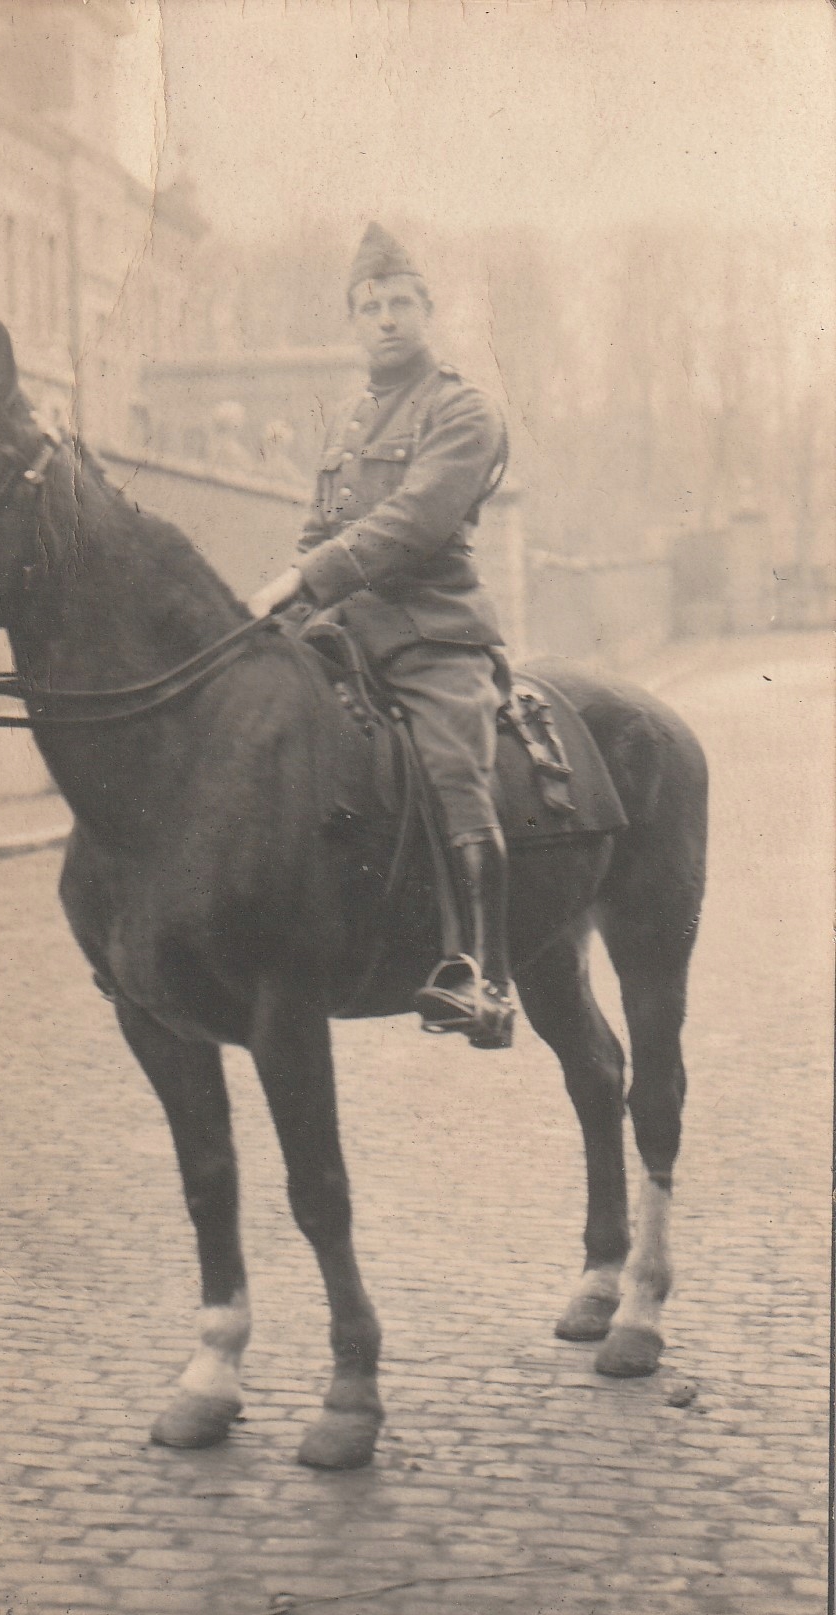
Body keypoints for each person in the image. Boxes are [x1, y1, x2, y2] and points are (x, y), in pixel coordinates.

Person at [247, 222, 515, 1048]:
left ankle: (483, 973)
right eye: (370, 307)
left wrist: (308, 579)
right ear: (353, 321)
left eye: (401, 303)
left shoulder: (463, 409)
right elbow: (316, 530)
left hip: (433, 631)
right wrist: (284, 607)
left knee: (454, 768)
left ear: (427, 309)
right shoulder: (348, 420)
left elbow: (416, 518)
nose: (387, 319)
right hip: (341, 627)